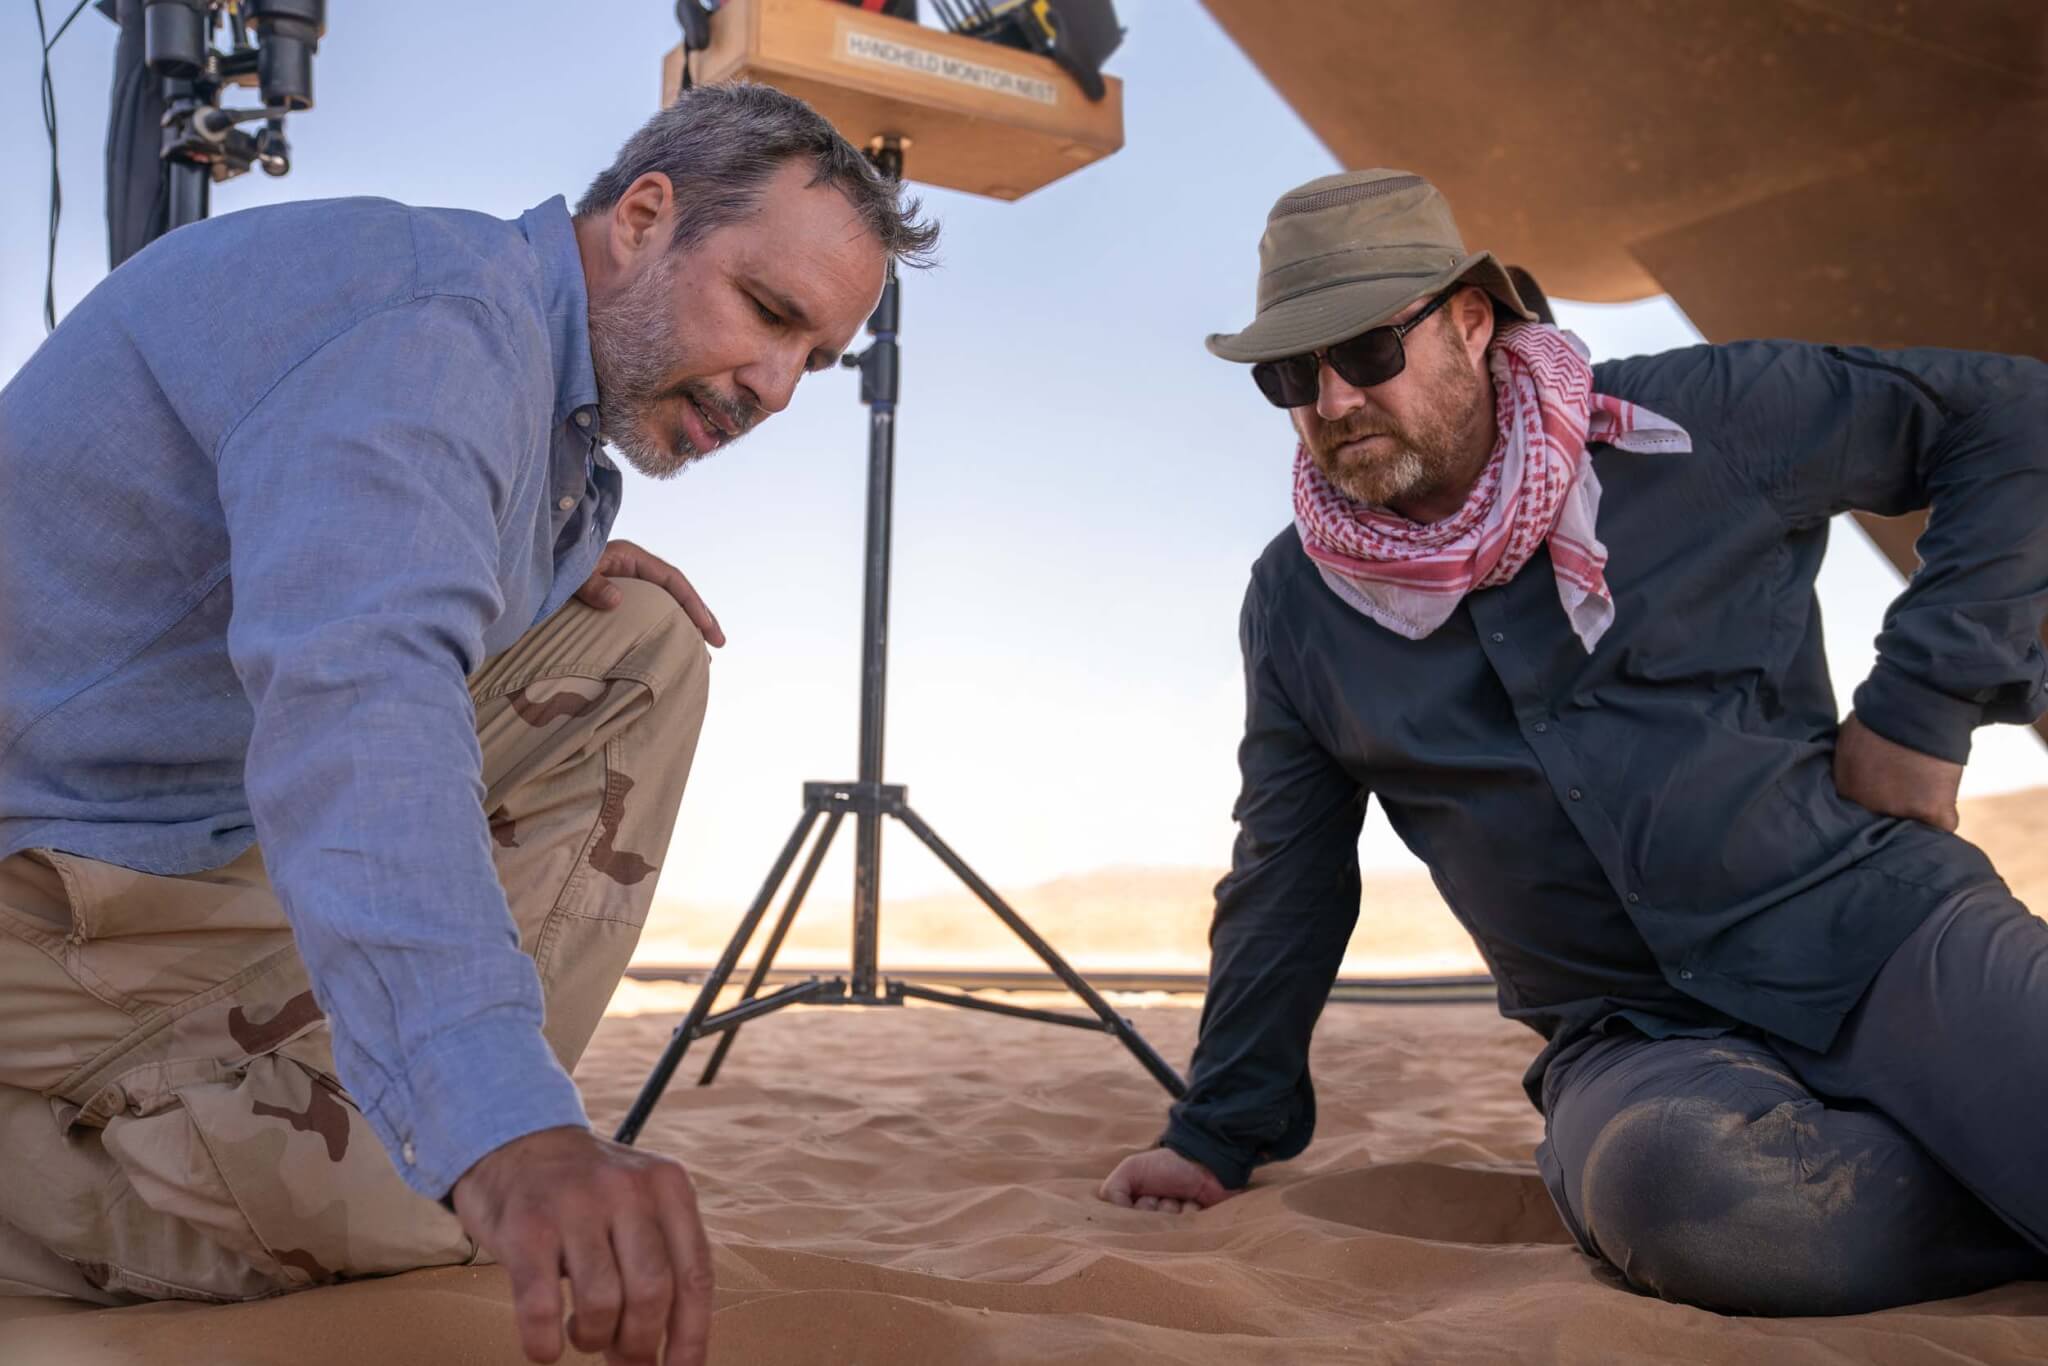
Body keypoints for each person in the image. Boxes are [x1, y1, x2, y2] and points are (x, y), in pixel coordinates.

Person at [0, 81, 937, 1366]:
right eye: (766, 313)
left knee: (637, 647)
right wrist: (501, 1133)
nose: (775, 387)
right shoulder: (433, 327)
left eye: (815, 361)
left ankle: (400, 1130)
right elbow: (358, 695)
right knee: (450, 1206)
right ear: (643, 216)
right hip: (46, 877)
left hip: (170, 849)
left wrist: (558, 569)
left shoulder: (536, 411)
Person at [1097, 168, 2048, 1317]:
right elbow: (1286, 877)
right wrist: (1214, 1134)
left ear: (1467, 321)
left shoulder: (1699, 423)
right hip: (1631, 1039)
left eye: (1362, 352)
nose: (1333, 399)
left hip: (1880, 931)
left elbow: (2011, 417)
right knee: (1689, 1199)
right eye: (1288, 375)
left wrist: (1920, 706)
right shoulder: (1298, 603)